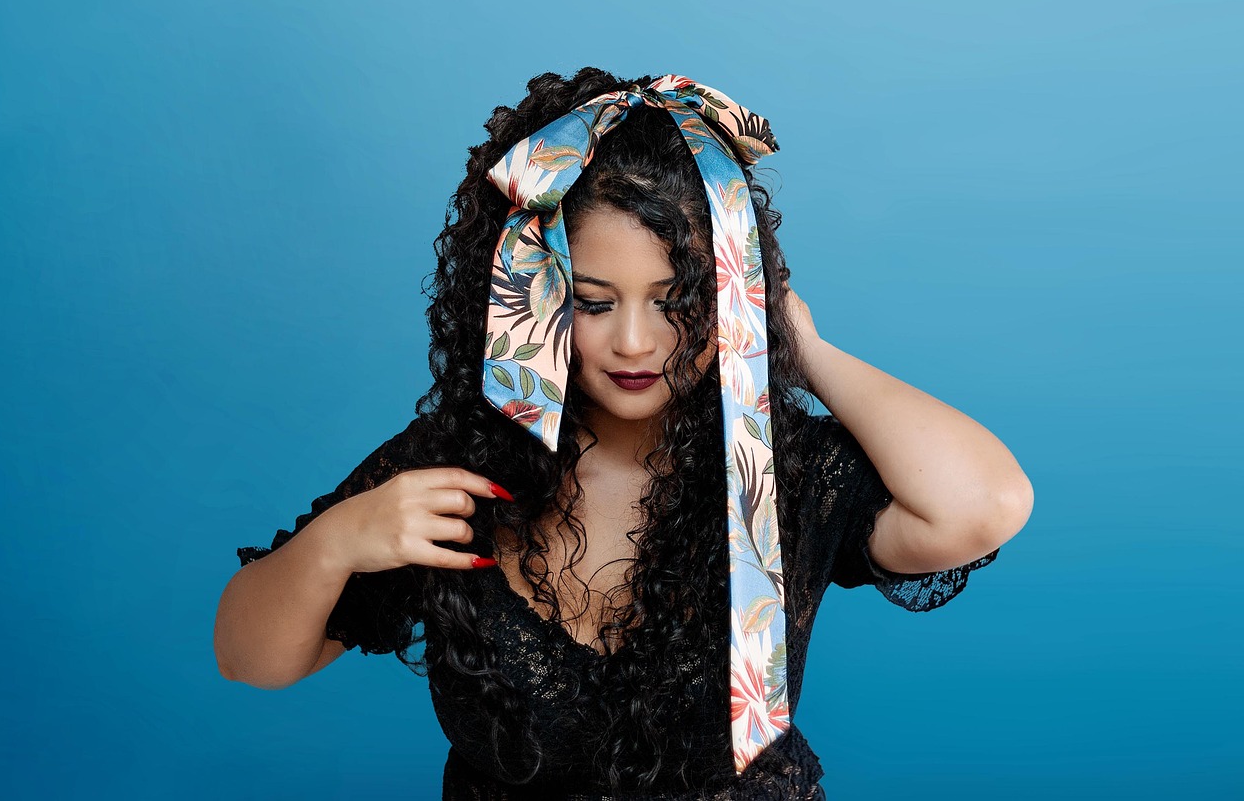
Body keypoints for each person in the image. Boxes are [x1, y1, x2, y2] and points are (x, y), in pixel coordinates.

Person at [213, 68, 1032, 800]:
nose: (635, 343)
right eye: (595, 302)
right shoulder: (455, 463)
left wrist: (799, 347)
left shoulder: (780, 466)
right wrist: (337, 542)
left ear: (727, 295)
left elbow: (986, 503)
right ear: (532, 296)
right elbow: (249, 658)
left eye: (675, 300)